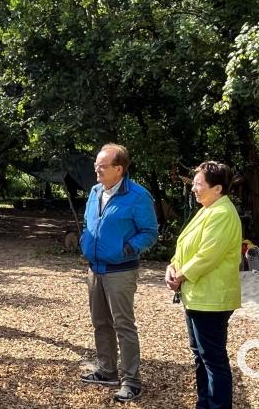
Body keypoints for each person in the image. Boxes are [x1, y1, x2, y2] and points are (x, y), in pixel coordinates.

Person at [79, 143, 158, 403]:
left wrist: (127, 248)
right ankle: (107, 370)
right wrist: (84, 241)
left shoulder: (137, 196)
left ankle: (131, 380)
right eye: (96, 164)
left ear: (119, 169)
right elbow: (89, 223)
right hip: (95, 269)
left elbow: (149, 233)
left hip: (120, 271)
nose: (96, 169)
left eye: (102, 166)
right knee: (100, 322)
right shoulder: (94, 191)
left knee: (123, 325)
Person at [166, 161, 242, 409]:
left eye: (199, 184)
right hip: (197, 296)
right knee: (201, 356)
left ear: (217, 188)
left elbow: (208, 255)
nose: (194, 189)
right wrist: (172, 266)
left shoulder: (221, 213)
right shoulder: (207, 208)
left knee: (213, 359)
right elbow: (186, 247)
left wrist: (181, 275)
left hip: (211, 298)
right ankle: (204, 403)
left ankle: (218, 405)